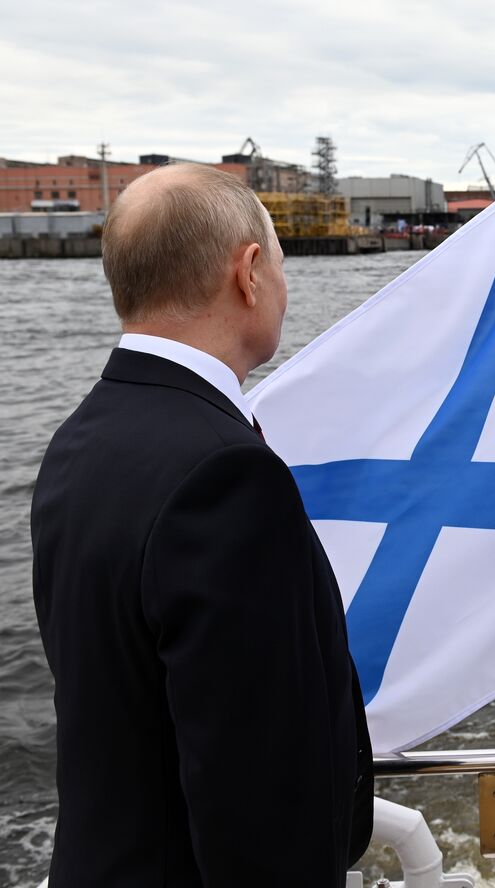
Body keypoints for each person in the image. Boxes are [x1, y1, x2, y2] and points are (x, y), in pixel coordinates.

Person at [30, 163, 373, 886]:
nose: (284, 284)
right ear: (249, 273)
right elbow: (258, 795)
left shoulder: (80, 439)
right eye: (280, 263)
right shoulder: (226, 473)